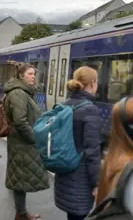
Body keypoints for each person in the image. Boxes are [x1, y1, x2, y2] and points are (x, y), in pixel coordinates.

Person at [54, 66, 103, 220]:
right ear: (93, 83)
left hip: (65, 169)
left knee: (72, 215)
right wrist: (97, 182)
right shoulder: (90, 110)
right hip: (81, 177)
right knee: (79, 215)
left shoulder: (65, 104)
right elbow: (92, 151)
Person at [4, 63, 49, 220]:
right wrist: (33, 138)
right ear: (21, 76)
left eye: (34, 73)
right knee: (19, 178)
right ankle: (21, 214)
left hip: (20, 141)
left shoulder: (23, 92)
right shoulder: (18, 94)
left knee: (20, 178)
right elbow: (20, 121)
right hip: (21, 142)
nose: (33, 76)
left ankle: (21, 213)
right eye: (30, 73)